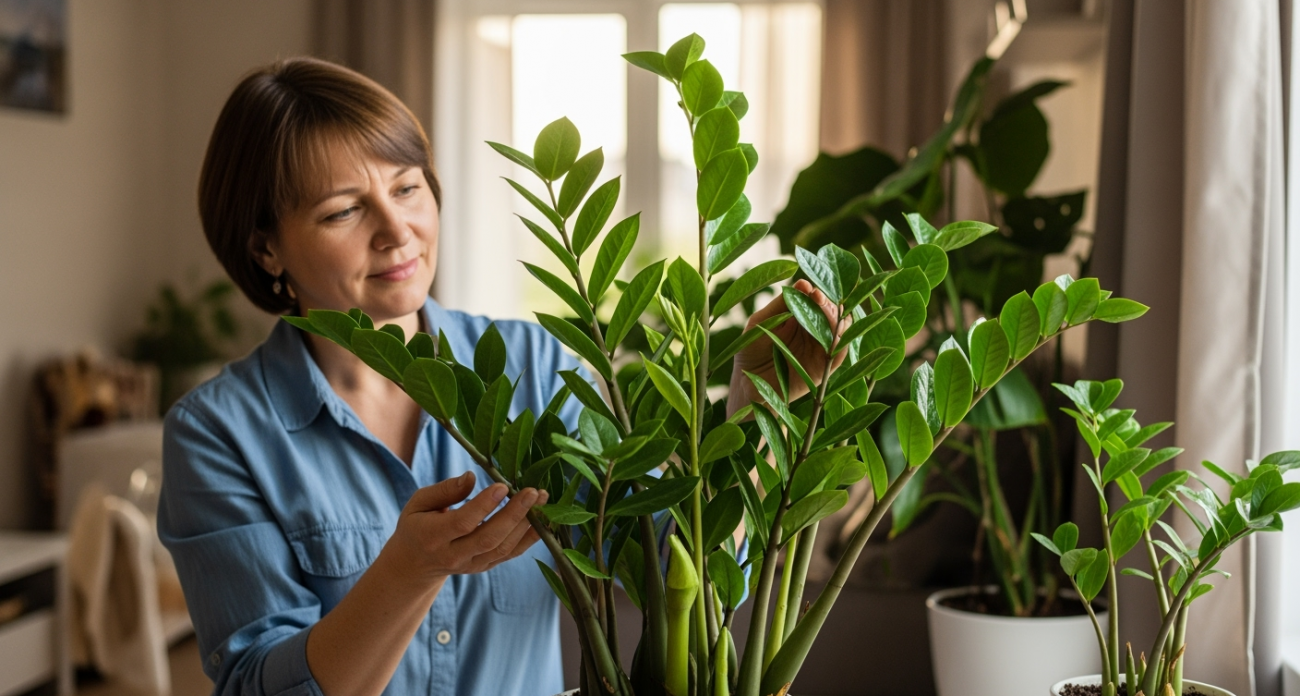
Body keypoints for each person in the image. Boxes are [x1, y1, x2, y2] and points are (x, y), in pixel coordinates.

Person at [159, 57, 841, 696]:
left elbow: (670, 567)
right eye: (343, 210)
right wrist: (408, 573)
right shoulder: (218, 433)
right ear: (266, 247)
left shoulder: (535, 366)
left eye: (407, 187)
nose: (397, 230)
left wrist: (760, 405)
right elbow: (255, 684)